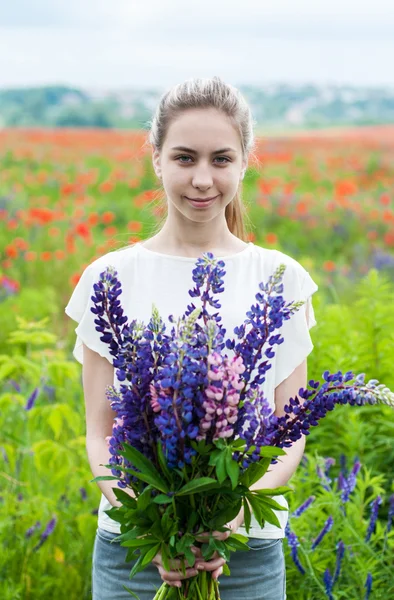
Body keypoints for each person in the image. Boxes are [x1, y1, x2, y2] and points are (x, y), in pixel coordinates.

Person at [65, 76, 318, 600]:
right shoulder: (107, 276)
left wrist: (226, 512)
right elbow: (100, 433)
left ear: (245, 161)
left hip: (246, 549)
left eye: (221, 159)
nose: (203, 179)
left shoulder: (282, 278)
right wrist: (155, 525)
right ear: (156, 158)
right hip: (133, 551)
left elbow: (289, 431)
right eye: (184, 158)